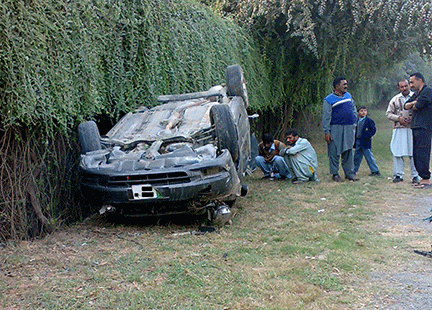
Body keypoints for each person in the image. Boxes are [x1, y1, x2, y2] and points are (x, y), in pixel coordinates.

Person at [322, 77, 359, 182]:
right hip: (335, 128)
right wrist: (327, 131)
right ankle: (335, 174)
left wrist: (354, 123)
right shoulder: (328, 99)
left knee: (348, 151)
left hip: (349, 128)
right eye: (344, 84)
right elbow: (326, 116)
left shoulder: (348, 96)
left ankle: (349, 174)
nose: (346, 86)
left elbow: (353, 109)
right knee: (334, 151)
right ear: (337, 86)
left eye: (346, 84)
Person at [386, 79, 419, 183]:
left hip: (412, 129)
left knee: (414, 152)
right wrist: (398, 118)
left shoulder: (416, 97)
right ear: (399, 88)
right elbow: (388, 114)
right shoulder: (395, 99)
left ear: (409, 85)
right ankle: (398, 175)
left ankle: (415, 175)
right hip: (399, 129)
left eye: (406, 86)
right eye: (402, 87)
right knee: (397, 151)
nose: (404, 88)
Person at [404, 72, 432, 188]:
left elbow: (418, 106)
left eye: (412, 82)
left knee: (423, 152)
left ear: (419, 80)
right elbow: (405, 105)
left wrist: (414, 104)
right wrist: (413, 103)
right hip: (416, 126)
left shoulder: (427, 91)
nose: (410, 85)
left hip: (425, 126)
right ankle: (422, 176)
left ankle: (426, 177)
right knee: (416, 153)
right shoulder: (416, 94)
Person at [353, 106, 380, 176]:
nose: (363, 112)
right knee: (356, 157)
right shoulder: (356, 121)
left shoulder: (369, 121)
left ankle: (375, 171)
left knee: (369, 156)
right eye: (361, 111)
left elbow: (373, 130)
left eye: (365, 111)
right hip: (358, 141)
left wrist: (368, 135)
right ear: (358, 112)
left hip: (365, 142)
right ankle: (353, 170)